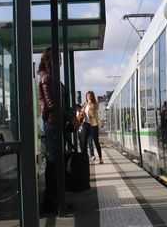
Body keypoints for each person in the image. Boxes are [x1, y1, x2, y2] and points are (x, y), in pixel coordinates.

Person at [37, 47, 78, 212]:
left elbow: (59, 104)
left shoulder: (51, 78)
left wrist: (72, 114)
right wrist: (70, 117)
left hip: (56, 124)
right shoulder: (46, 78)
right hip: (52, 125)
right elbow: (52, 105)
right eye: (58, 59)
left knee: (56, 165)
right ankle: (51, 202)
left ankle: (53, 200)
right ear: (50, 60)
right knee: (54, 165)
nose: (61, 62)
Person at [79, 91, 103, 164]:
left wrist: (89, 104)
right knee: (83, 141)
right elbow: (82, 113)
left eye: (89, 96)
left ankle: (100, 158)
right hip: (86, 124)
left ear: (92, 97)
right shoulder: (85, 105)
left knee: (96, 142)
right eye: (87, 96)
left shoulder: (95, 105)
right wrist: (81, 111)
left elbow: (93, 113)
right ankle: (84, 159)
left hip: (93, 125)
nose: (88, 97)